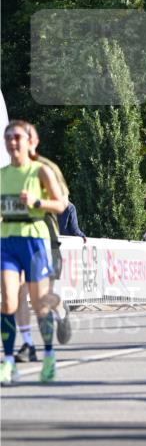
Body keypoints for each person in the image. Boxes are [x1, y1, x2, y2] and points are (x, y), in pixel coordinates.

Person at [1, 121, 67, 384]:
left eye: (17, 137)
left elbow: (61, 204)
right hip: (7, 240)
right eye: (8, 138)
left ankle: (49, 356)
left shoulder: (41, 171)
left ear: (30, 142)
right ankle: (8, 363)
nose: (12, 142)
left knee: (40, 304)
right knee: (8, 301)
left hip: (35, 240)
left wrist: (37, 202)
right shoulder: (2, 174)